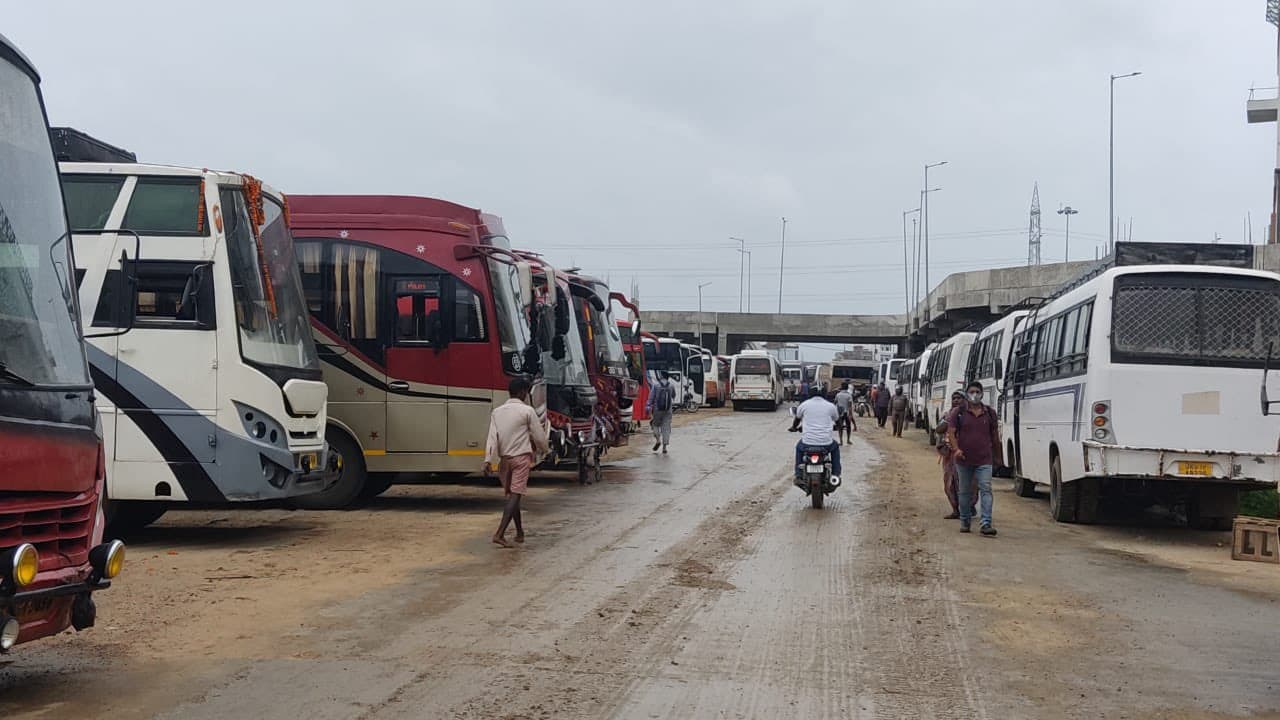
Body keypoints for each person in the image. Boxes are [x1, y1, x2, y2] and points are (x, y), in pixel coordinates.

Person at [484, 376, 550, 548]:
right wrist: (546, 451)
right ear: (522, 392)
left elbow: (492, 438)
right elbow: (539, 436)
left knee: (513, 496)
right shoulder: (527, 411)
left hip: (504, 460)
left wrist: (487, 460)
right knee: (515, 495)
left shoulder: (497, 412)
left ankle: (520, 532)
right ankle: (499, 533)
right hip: (521, 458)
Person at [947, 380, 1003, 536]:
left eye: (978, 392)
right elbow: (951, 433)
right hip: (963, 460)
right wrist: (956, 449)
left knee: (986, 488)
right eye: (972, 392)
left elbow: (994, 436)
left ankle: (986, 523)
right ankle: (965, 520)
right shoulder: (958, 413)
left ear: (982, 394)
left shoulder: (990, 413)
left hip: (984, 460)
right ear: (967, 393)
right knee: (964, 492)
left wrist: (998, 457)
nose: (975, 395)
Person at [790, 385, 842, 482]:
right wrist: (839, 427)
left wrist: (793, 428)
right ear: (824, 394)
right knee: (835, 447)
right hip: (826, 444)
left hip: (807, 443)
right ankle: (836, 474)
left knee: (798, 447)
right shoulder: (831, 406)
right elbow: (838, 421)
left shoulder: (804, 405)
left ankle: (798, 474)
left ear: (810, 394)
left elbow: (797, 419)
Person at [937, 392, 974, 519]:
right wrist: (950, 419)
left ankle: (969, 507)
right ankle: (955, 509)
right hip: (949, 455)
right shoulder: (948, 415)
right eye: (954, 398)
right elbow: (939, 429)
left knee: (966, 483)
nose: (956, 400)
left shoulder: (970, 415)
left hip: (966, 454)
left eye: (959, 398)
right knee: (949, 482)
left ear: (965, 400)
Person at [647, 370, 677, 453]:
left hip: (657, 410)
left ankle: (658, 440)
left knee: (655, 425)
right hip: (668, 410)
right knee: (666, 427)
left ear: (661, 376)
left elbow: (651, 397)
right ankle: (664, 448)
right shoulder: (671, 385)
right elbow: (674, 395)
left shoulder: (656, 385)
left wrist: (648, 406)